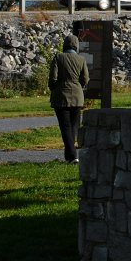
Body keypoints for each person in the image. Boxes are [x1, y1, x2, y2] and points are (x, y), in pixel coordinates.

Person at [48, 33, 88, 163]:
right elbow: (85, 78)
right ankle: (70, 156)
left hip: (61, 97)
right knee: (74, 126)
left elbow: (53, 77)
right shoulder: (81, 59)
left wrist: (54, 88)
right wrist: (78, 86)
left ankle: (72, 155)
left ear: (64, 45)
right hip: (77, 96)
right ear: (76, 46)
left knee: (65, 127)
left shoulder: (58, 57)